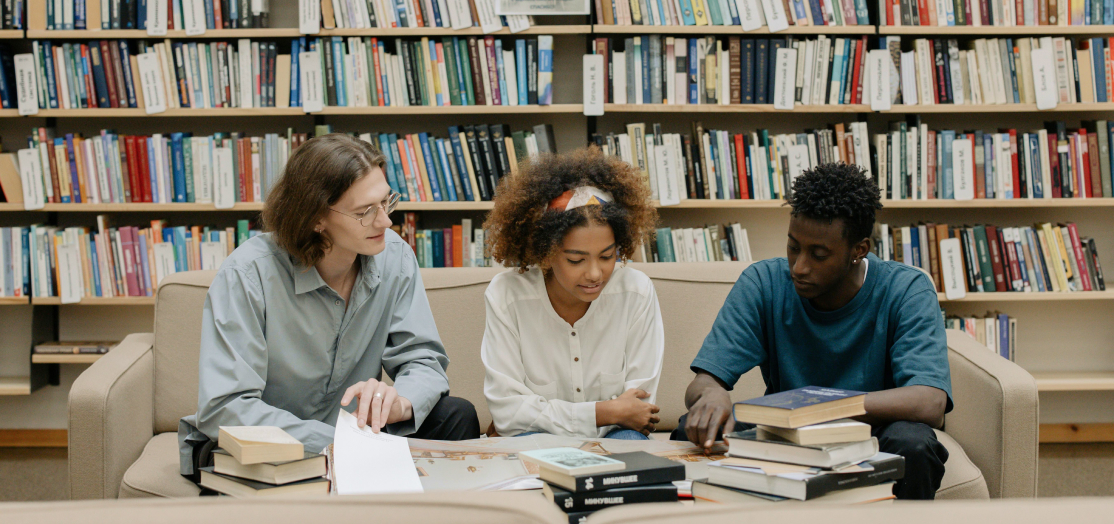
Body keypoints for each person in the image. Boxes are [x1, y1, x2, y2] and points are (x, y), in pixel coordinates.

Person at [179, 134, 480, 482]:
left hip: (356, 436)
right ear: (315, 218)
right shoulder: (247, 275)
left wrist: (400, 402)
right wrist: (343, 444)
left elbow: (423, 359)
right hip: (270, 444)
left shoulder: (394, 256)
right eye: (366, 212)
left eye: (386, 203)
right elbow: (226, 407)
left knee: (456, 414)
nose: (386, 222)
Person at [674, 163, 952, 500]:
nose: (799, 267)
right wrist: (712, 394)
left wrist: (820, 408)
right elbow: (702, 383)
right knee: (691, 425)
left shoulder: (906, 288)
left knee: (914, 443)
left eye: (818, 254)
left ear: (858, 251)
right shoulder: (763, 283)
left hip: (873, 431)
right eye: (793, 247)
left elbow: (929, 401)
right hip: (787, 431)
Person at [480, 147, 664, 440]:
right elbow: (509, 414)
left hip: (616, 435)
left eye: (607, 256)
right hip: (537, 439)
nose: (594, 274)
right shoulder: (507, 296)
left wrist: (612, 415)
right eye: (576, 260)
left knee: (630, 443)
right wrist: (604, 412)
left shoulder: (636, 292)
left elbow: (637, 410)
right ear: (546, 253)